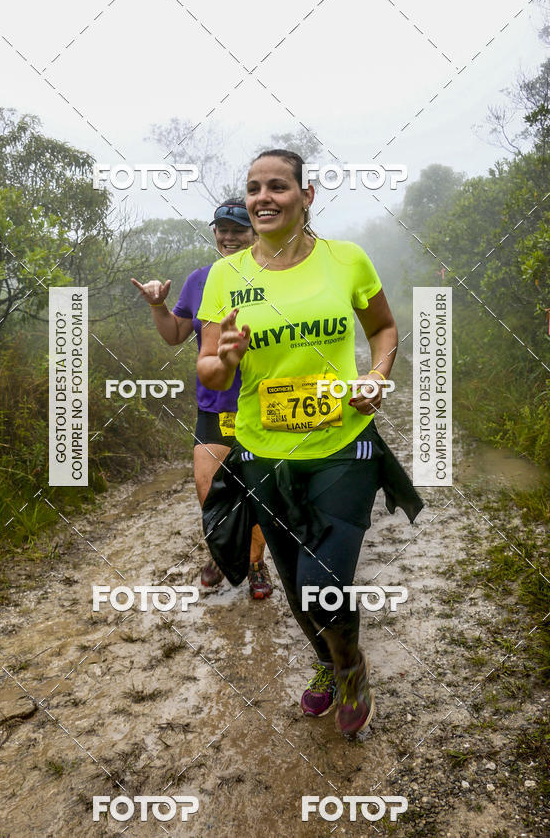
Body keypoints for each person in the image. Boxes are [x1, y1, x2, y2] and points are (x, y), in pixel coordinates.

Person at [197, 152, 421, 737]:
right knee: (299, 587)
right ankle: (326, 662)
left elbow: (383, 330)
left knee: (325, 583)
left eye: (277, 186)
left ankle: (350, 669)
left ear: (306, 194)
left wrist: (375, 376)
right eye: (253, 189)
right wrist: (224, 359)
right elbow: (211, 374)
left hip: (343, 447)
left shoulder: (345, 260)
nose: (263, 197)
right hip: (265, 452)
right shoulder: (227, 277)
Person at [132, 199, 273, 600]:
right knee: (209, 488)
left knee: (257, 490)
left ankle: (254, 563)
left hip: (264, 404)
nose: (229, 237)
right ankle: (222, 549)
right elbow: (175, 334)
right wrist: (158, 305)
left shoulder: (273, 277)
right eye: (222, 229)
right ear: (214, 232)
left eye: (239, 229)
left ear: (256, 231)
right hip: (215, 403)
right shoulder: (200, 279)